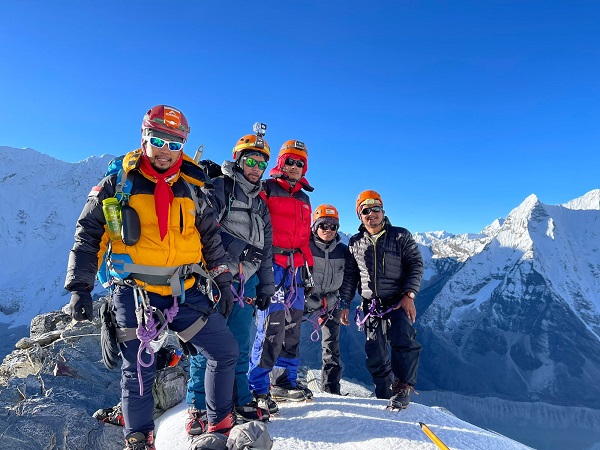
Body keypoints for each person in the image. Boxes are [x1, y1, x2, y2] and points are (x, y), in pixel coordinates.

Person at [65, 105, 238, 449]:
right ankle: (139, 438)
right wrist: (80, 287)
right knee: (139, 372)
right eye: (158, 140)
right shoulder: (116, 184)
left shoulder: (193, 188)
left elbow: (210, 240)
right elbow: (89, 236)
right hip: (135, 292)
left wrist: (223, 281)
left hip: (185, 289)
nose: (165, 150)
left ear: (184, 146)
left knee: (224, 350)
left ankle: (218, 428)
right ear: (144, 137)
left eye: (175, 144)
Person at [185, 125, 275, 434]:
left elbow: (266, 250)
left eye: (262, 163)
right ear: (237, 160)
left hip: (245, 284)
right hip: (213, 279)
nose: (256, 168)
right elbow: (205, 230)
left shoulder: (260, 204)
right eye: (251, 161)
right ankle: (198, 406)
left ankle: (240, 398)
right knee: (207, 345)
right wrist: (242, 249)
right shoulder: (220, 189)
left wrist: (266, 286)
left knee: (239, 342)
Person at [339, 190, 424, 409]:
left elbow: (415, 265)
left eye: (375, 209)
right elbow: (351, 276)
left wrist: (409, 295)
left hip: (398, 300)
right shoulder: (355, 243)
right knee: (374, 353)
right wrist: (345, 303)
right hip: (371, 307)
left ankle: (402, 389)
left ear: (383, 211)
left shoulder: (400, 236)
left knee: (403, 340)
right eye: (365, 211)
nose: (371, 214)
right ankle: (384, 393)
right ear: (360, 216)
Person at [247, 139, 314, 407]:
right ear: (281, 163)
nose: (295, 166)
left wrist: (309, 269)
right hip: (271, 264)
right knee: (271, 325)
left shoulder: (304, 197)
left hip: (296, 269)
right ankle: (257, 386)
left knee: (293, 325)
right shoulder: (267, 189)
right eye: (290, 161)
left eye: (300, 163)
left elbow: (305, 238)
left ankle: (286, 380)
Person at [304, 204, 350, 395]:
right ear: (315, 226)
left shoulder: (343, 251)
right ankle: (283, 382)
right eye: (324, 225)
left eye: (333, 226)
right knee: (287, 341)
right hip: (305, 301)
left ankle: (331, 391)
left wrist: (344, 303)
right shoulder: (304, 247)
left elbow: (348, 280)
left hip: (331, 303)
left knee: (332, 348)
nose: (328, 230)